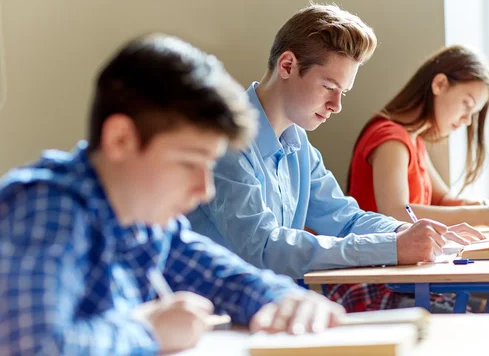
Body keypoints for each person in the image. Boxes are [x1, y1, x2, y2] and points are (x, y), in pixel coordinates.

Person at [0, 34, 345, 355]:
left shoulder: (145, 221)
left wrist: (287, 299)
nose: (204, 189)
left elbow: (224, 278)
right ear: (121, 139)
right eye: (187, 163)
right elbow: (31, 345)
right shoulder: (47, 207)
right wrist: (148, 331)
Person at [188, 4, 483, 313]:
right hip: (215, 317)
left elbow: (345, 218)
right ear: (287, 65)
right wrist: (393, 248)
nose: (336, 105)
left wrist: (407, 232)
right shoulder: (227, 142)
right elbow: (262, 248)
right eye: (328, 87)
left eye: (343, 92)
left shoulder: (297, 143)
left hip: (270, 308)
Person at [324, 44, 489, 311]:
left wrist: (485, 208)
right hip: (377, 282)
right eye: (466, 104)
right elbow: (396, 212)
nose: (467, 120)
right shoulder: (390, 139)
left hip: (406, 277)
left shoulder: (413, 139)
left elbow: (443, 199)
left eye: (473, 113)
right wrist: (485, 216)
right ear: (440, 84)